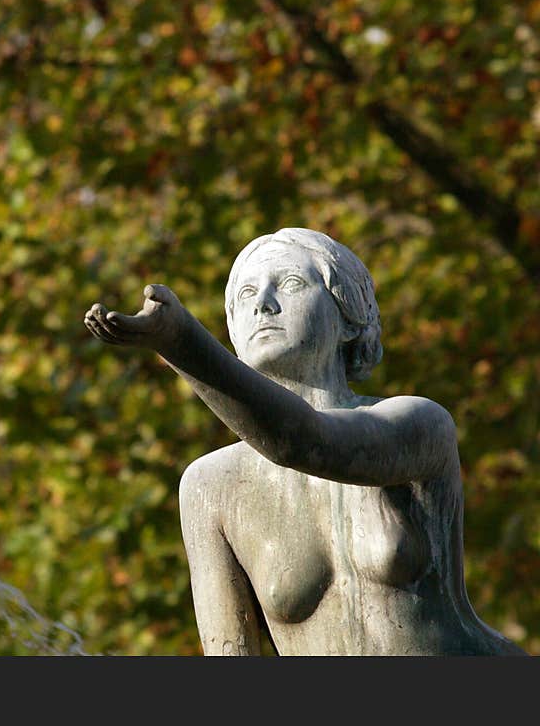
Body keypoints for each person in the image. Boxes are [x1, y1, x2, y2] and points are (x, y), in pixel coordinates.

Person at [84, 227, 526, 655]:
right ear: (234, 329)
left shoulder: (417, 425)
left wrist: (179, 340)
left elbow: (303, 442)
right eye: (246, 295)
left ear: (348, 317)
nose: (263, 305)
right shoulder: (211, 486)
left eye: (290, 283)